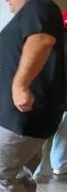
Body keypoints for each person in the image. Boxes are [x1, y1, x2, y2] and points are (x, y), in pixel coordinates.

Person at [0, 0, 65, 191]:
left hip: (22, 115)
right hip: (21, 113)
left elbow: (41, 40)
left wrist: (20, 85)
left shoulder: (39, 4)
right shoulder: (28, 15)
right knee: (20, 175)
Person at [33, 10, 67, 180]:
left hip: (46, 95)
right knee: (64, 132)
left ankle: (35, 171)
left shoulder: (47, 41)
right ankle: (59, 165)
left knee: (39, 134)